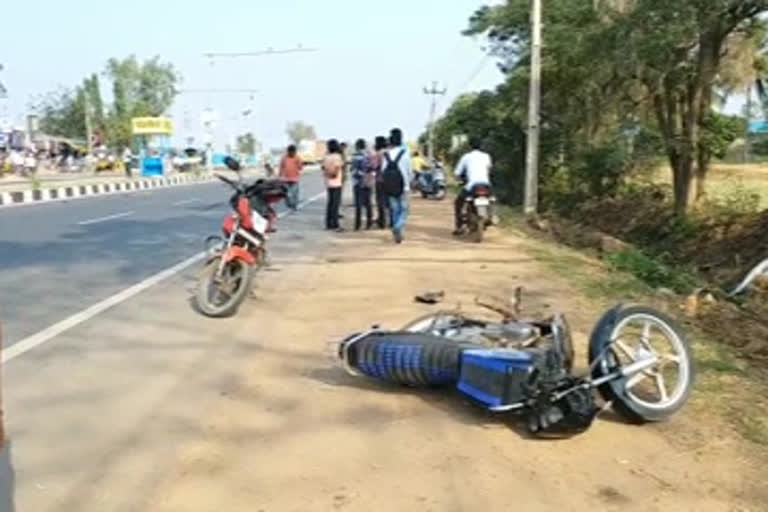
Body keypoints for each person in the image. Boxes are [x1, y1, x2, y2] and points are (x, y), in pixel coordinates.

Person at [452, 137, 492, 236]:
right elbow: (489, 169)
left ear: (470, 146)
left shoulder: (466, 157)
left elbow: (457, 173)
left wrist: (458, 180)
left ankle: (459, 226)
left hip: (472, 185)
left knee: (458, 202)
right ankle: (491, 216)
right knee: (491, 199)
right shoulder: (486, 156)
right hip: (486, 184)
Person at [381, 128, 412, 243]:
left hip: (390, 186)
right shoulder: (405, 154)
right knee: (404, 209)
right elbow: (409, 171)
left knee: (395, 209)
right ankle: (398, 226)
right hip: (403, 186)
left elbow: (383, 170)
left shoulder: (386, 154)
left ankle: (397, 231)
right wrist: (409, 182)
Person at [351, 138, 374, 230]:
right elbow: (372, 169)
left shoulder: (355, 157)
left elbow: (353, 170)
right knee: (368, 203)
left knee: (358, 205)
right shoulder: (369, 155)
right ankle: (369, 223)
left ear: (357, 146)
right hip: (368, 182)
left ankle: (357, 224)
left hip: (357, 183)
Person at [322, 139, 345, 232]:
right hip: (336, 182)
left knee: (330, 203)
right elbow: (337, 167)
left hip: (328, 182)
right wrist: (333, 174)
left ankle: (328, 223)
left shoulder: (326, 157)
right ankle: (335, 224)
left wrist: (328, 173)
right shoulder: (337, 156)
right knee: (335, 204)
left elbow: (323, 167)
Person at [372, 135, 389, 229]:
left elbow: (374, 166)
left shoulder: (378, 154)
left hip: (380, 179)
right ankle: (391, 221)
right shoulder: (390, 152)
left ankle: (382, 221)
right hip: (390, 180)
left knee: (380, 201)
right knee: (389, 201)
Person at [279, 144, 304, 211]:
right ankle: (289, 204)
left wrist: (299, 166)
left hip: (295, 179)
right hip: (286, 179)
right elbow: (281, 167)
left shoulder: (297, 158)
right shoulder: (284, 158)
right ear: (288, 151)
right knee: (286, 193)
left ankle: (295, 205)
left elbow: (300, 167)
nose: (292, 153)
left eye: (294, 152)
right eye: (291, 152)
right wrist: (280, 175)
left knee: (294, 193)